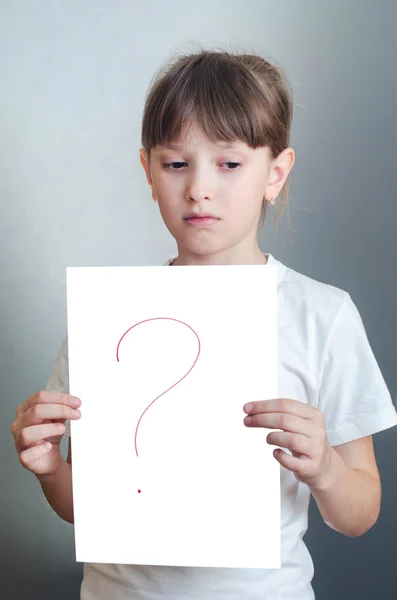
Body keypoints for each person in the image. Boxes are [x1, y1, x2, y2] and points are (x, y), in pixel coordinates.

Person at [11, 49, 397, 600]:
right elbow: (90, 511)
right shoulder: (110, 319)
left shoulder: (322, 315)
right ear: (147, 171)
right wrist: (50, 468)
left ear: (276, 173)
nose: (199, 188)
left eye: (230, 164)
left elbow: (360, 514)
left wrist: (327, 470)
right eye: (176, 164)